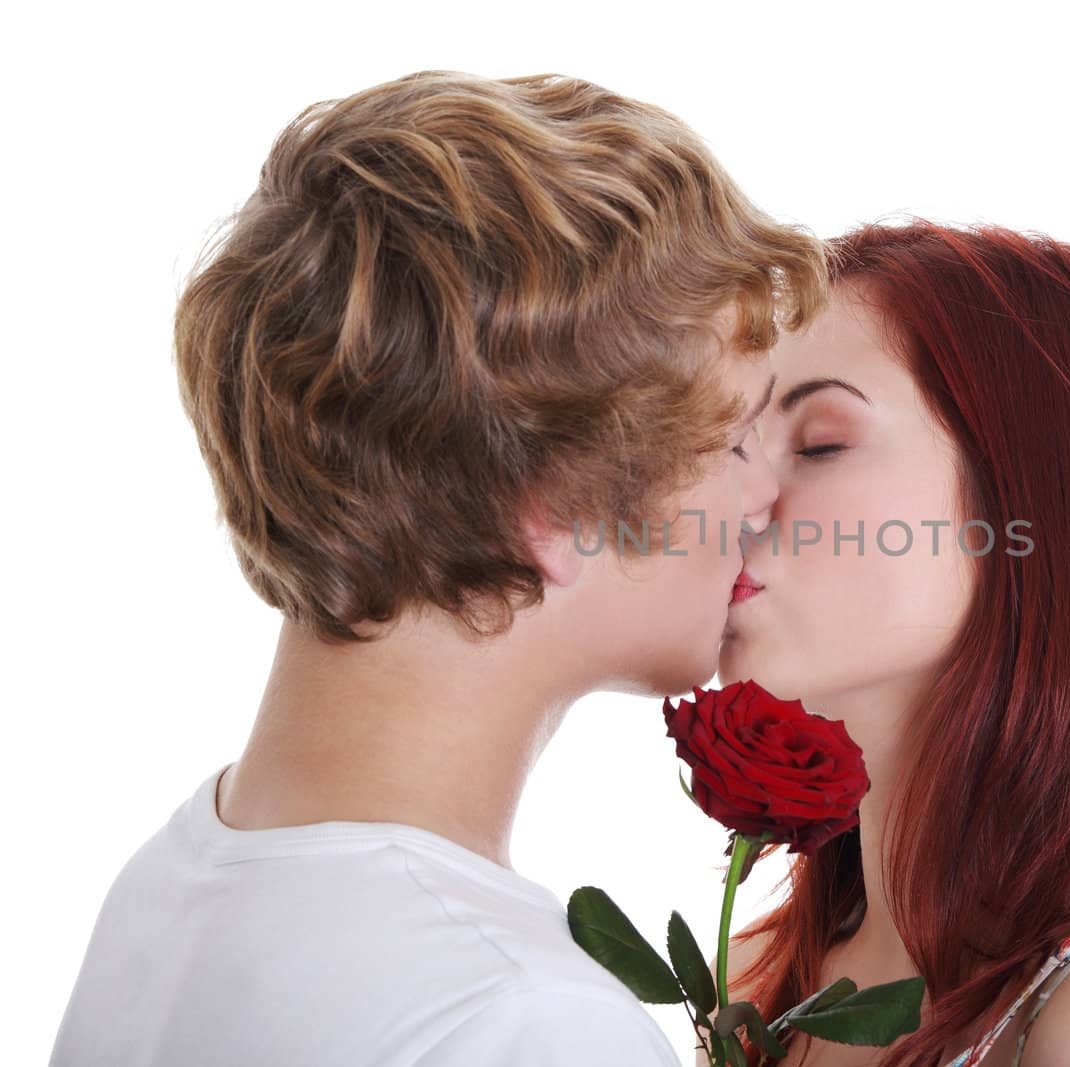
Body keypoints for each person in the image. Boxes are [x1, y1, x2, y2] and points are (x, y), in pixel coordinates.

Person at [50, 69, 827, 1066]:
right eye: (729, 441)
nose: (768, 493)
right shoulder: (519, 1018)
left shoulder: (172, 878)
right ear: (552, 503)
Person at [714, 219, 1070, 1066]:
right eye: (731, 441)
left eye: (820, 442)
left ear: (1035, 503)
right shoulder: (759, 979)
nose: (732, 492)